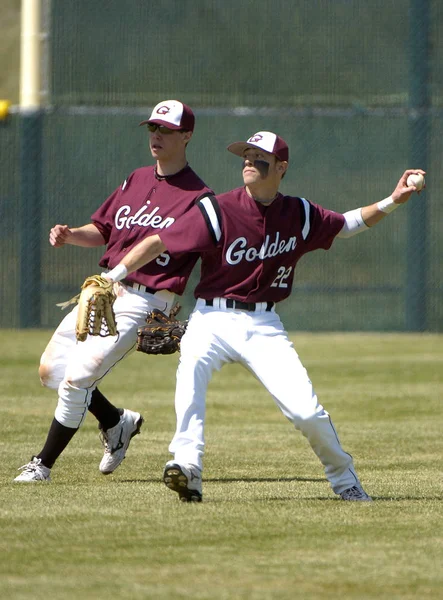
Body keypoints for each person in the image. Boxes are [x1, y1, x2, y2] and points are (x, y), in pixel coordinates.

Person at [104, 130, 425, 502]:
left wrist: (394, 200)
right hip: (211, 318)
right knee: (190, 378)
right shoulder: (216, 209)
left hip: (264, 325)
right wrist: (114, 274)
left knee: (306, 413)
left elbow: (347, 224)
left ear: (280, 167)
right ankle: (187, 466)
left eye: (259, 159)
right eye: (245, 157)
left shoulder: (300, 213)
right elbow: (160, 240)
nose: (248, 164)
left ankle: (344, 477)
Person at [14, 100, 213, 482]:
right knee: (51, 371)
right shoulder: (136, 179)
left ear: (187, 136)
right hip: (106, 290)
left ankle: (42, 464)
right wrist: (72, 235)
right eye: (153, 128)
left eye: (167, 130)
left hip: (147, 299)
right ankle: (116, 421)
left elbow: (205, 257)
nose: (157, 135)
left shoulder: (199, 198)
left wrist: (185, 310)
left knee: (78, 377)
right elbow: (104, 230)